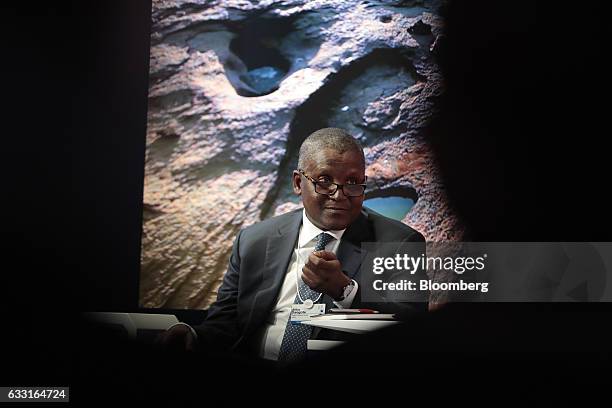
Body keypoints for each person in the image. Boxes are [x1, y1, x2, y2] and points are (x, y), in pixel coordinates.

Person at [157, 127, 425, 363]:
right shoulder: (254, 241)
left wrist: (345, 291)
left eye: (353, 183)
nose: (339, 194)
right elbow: (225, 324)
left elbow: (411, 330)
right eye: (324, 181)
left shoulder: (400, 243)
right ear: (299, 183)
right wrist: (193, 335)